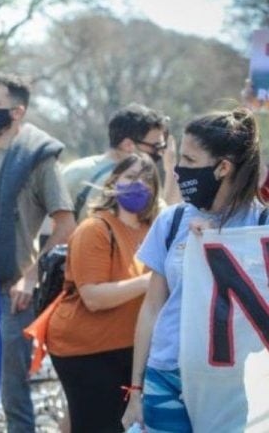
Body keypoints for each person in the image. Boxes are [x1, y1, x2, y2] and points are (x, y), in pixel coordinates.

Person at [122, 108, 265, 432]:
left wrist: (220, 241)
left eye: (188, 160)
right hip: (166, 374)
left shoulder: (260, 226)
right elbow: (153, 308)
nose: (176, 170)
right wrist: (136, 388)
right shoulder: (171, 221)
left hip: (230, 381)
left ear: (223, 167)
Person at [0, 73, 75, 432]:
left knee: (13, 391)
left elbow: (66, 224)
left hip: (14, 294)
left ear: (17, 111)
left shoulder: (39, 160)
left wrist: (31, 274)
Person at [46, 153, 160, 432]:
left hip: (128, 350)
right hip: (86, 350)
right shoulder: (95, 229)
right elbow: (93, 297)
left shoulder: (152, 230)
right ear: (113, 182)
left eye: (147, 181)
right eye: (131, 177)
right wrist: (150, 281)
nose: (138, 185)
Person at [62, 103, 176, 222]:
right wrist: (170, 169)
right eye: (156, 146)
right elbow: (167, 224)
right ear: (128, 145)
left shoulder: (73, 170)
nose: (161, 152)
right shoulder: (135, 184)